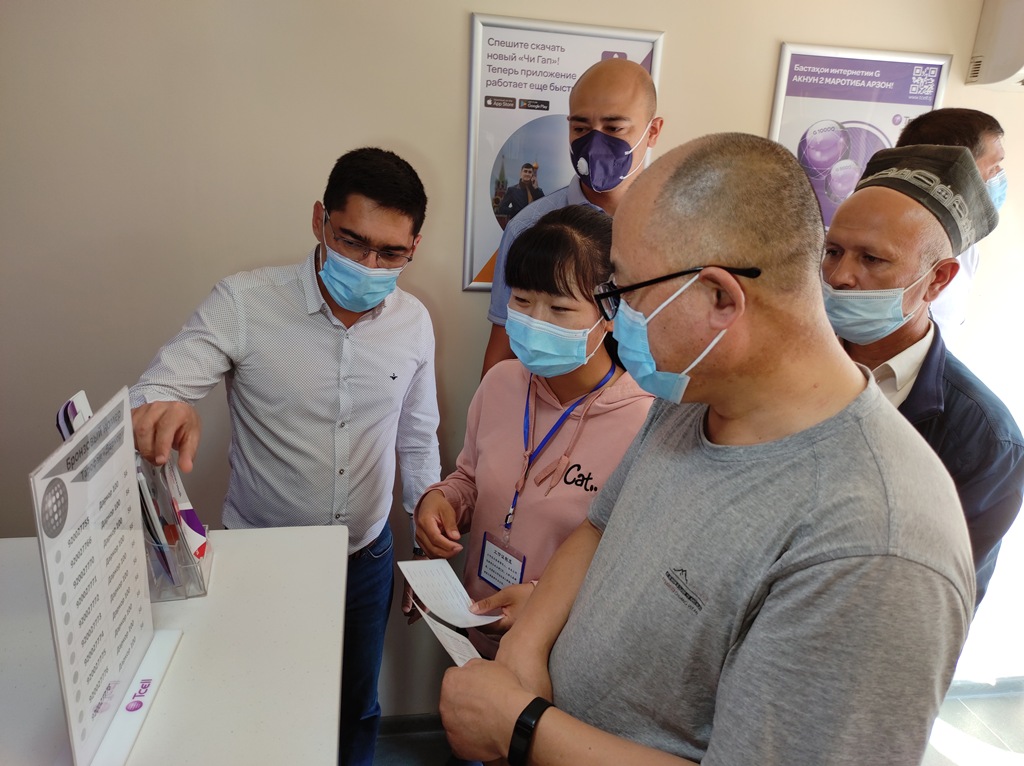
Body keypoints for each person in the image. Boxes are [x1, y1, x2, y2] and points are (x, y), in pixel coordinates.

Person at [439, 133, 975, 765]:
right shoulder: (692, 394)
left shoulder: (875, 543)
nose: (617, 317)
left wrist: (522, 727)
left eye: (624, 293)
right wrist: (527, 647)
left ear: (720, 298)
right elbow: (600, 526)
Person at [129, 147, 441, 766]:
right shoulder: (246, 303)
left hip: (366, 559)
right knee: (258, 709)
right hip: (262, 558)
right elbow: (154, 390)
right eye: (352, 242)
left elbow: (417, 432)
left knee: (356, 709)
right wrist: (164, 409)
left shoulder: (413, 321)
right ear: (320, 220)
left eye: (390, 254)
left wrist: (424, 522)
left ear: (414, 247)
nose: (369, 265)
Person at [410, 206, 653, 659]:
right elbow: (470, 479)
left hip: (564, 654)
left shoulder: (644, 424)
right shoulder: (500, 383)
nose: (536, 321)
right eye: (522, 301)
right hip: (478, 630)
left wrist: (543, 601)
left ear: (611, 310)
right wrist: (442, 501)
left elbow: (634, 567)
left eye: (559, 308)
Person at [822, 144, 1024, 606]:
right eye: (833, 251)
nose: (840, 276)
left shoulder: (985, 441)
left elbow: (940, 604)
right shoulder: (781, 370)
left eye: (872, 259)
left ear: (938, 279)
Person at [481, 57, 664, 376]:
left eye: (614, 128)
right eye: (580, 128)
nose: (594, 142)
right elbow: (502, 353)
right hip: (548, 402)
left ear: (653, 131)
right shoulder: (529, 227)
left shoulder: (679, 231)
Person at [895, 108, 1007, 352]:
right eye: (993, 168)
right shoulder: (882, 237)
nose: (999, 177)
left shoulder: (967, 245)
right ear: (954, 170)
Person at [495, 163, 545, 229]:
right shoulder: (512, 190)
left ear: (532, 175)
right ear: (521, 174)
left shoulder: (537, 190)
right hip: (518, 225)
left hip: (533, 225)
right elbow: (502, 208)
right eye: (525, 171)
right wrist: (515, 211)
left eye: (530, 172)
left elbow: (543, 206)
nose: (527, 174)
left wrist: (536, 189)